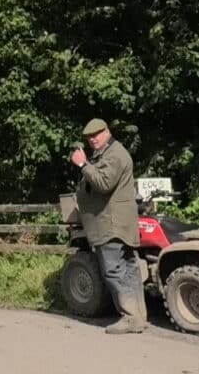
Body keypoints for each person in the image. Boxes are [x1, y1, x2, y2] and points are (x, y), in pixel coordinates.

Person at [69, 118, 148, 335]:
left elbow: (103, 183)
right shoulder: (108, 153)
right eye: (89, 137)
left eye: (97, 134)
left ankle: (130, 318)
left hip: (111, 224)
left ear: (107, 132)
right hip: (116, 224)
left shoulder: (115, 154)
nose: (93, 139)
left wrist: (83, 164)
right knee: (129, 268)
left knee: (114, 271)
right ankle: (138, 316)